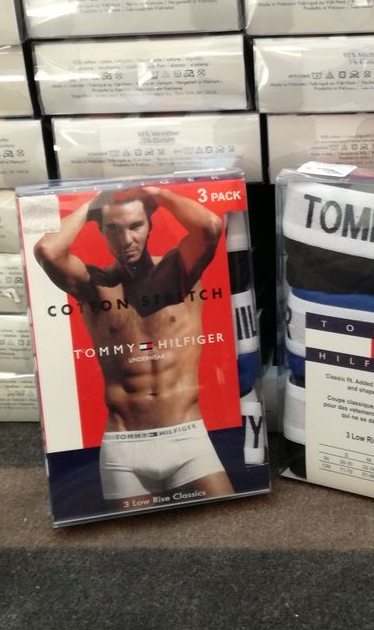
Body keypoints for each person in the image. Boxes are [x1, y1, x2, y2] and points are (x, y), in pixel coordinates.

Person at [34, 185, 235, 509]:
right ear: (100, 231)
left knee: (228, 520)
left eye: (135, 226)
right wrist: (94, 201)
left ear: (149, 225)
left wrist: (157, 193)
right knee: (132, 538)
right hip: (124, 446)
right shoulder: (94, 287)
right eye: (113, 229)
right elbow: (48, 250)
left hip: (188, 437)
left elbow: (210, 227)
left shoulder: (178, 273)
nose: (126, 239)